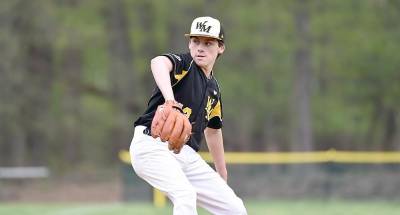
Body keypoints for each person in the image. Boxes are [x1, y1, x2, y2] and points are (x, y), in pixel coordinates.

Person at [129, 16, 247, 215]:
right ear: (189, 44)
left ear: (221, 48)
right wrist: (169, 100)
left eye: (208, 43)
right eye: (195, 41)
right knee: (185, 195)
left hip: (186, 154)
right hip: (152, 145)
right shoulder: (184, 65)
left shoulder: (214, 90)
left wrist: (221, 172)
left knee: (234, 208)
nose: (200, 48)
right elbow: (158, 62)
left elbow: (213, 132)